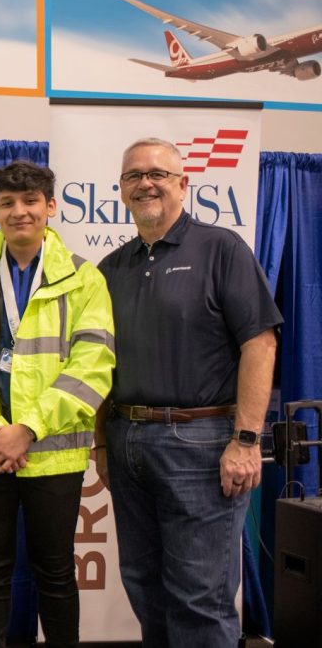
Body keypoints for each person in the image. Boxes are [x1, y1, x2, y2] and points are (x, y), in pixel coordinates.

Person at [95, 138, 281, 647]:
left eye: (157, 173)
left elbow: (260, 344)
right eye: (133, 175)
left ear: (183, 184)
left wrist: (246, 440)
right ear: (122, 189)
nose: (145, 183)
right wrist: (101, 444)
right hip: (127, 441)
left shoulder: (221, 249)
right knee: (145, 587)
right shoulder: (112, 269)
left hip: (201, 444)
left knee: (200, 598)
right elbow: (97, 367)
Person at [0, 160, 115, 648]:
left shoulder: (84, 279)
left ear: (51, 207)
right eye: (8, 203)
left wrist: (28, 429)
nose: (20, 212)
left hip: (53, 453)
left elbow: (93, 365)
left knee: (55, 571)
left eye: (31, 201)